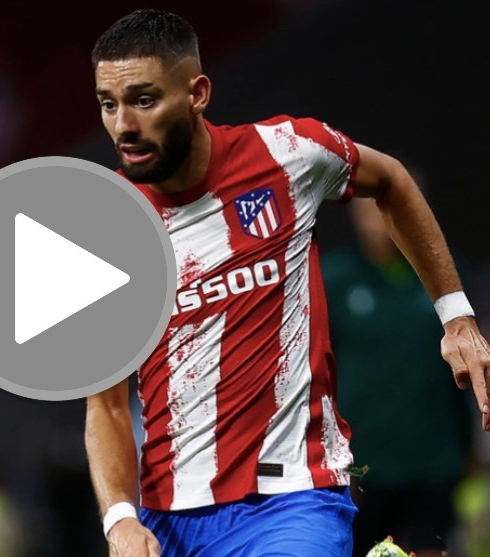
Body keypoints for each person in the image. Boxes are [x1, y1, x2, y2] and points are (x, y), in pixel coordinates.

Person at [82, 9, 490, 557]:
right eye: (108, 104)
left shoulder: (287, 154)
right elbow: (107, 407)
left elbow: (391, 180)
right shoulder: (108, 225)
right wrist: (120, 521)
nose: (123, 125)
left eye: (144, 100)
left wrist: (456, 316)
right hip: (168, 520)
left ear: (197, 94)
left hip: (295, 498)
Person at [323, 197, 473, 556]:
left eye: (391, 206)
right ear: (355, 214)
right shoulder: (332, 279)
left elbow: (464, 368)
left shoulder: (445, 277)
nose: (380, 219)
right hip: (361, 466)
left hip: (432, 461)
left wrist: (467, 447)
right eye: (371, 208)